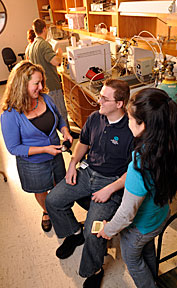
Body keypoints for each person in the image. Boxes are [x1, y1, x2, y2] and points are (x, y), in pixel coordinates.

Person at [46, 79, 134, 287]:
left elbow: (134, 171)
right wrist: (73, 163)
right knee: (53, 200)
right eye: (100, 95)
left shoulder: (131, 129)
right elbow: (83, 143)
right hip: (87, 172)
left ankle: (93, 269)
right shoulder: (95, 118)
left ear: (120, 103)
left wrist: (111, 189)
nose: (98, 101)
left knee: (93, 231)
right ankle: (74, 233)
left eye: (104, 98)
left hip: (112, 182)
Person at [97, 88, 177, 288]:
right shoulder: (172, 144)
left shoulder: (140, 162)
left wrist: (108, 230)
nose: (127, 122)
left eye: (129, 118)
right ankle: (153, 274)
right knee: (147, 250)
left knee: (134, 261)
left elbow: (127, 214)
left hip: (140, 227)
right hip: (160, 216)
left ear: (143, 125)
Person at [1, 60, 72, 233]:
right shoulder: (10, 114)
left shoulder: (45, 99)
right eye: (36, 84)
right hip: (33, 163)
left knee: (59, 186)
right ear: (22, 85)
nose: (41, 87)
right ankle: (47, 212)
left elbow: (59, 118)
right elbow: (14, 148)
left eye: (42, 82)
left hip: (55, 156)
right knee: (41, 190)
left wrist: (65, 131)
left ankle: (59, 209)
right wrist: (44, 149)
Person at [26, 18, 70, 131]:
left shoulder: (31, 46)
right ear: (45, 29)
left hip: (41, 86)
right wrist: (59, 53)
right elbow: (56, 61)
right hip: (51, 84)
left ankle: (55, 130)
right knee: (60, 110)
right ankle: (67, 133)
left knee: (50, 111)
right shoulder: (44, 44)